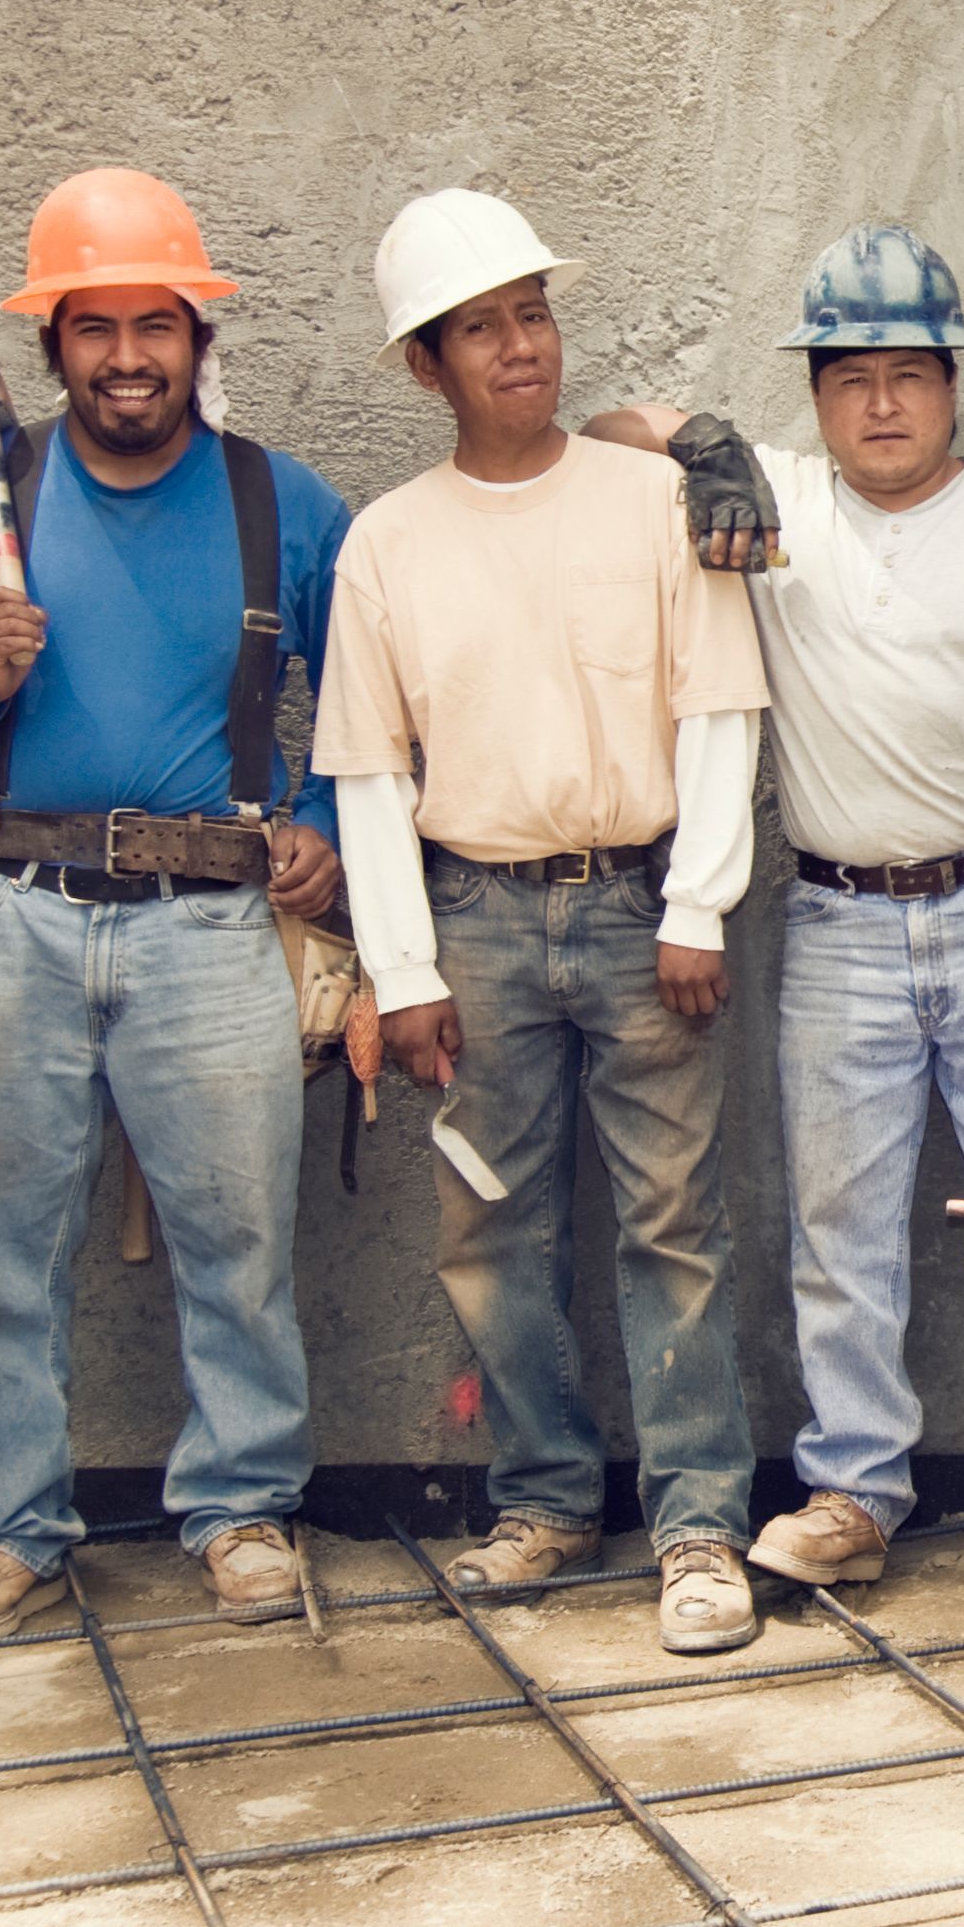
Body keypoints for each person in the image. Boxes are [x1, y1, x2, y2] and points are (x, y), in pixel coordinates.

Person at [0, 168, 349, 1643]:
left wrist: (322, 827)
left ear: (198, 337)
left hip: (210, 925)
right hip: (10, 913)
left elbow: (376, 705)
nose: (128, 358)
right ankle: (10, 1531)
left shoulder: (279, 503)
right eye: (95, 328)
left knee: (239, 1246)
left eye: (156, 325)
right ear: (53, 344)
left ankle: (242, 1509)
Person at [586, 223, 964, 1596]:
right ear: (815, 395)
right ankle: (854, 1487)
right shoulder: (776, 506)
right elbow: (599, 435)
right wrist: (702, 443)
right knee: (840, 1223)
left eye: (909, 373)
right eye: (849, 377)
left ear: (953, 382)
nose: (881, 403)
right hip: (834, 921)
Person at [315, 187, 773, 1655]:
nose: (521, 346)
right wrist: (401, 968)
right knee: (491, 1229)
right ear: (425, 364)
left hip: (644, 910)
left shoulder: (648, 501)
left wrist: (699, 901)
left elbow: (719, 706)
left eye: (534, 314)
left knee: (673, 1223)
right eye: (481, 328)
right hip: (473, 920)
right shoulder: (389, 543)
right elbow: (369, 771)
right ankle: (545, 1502)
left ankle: (698, 1527)